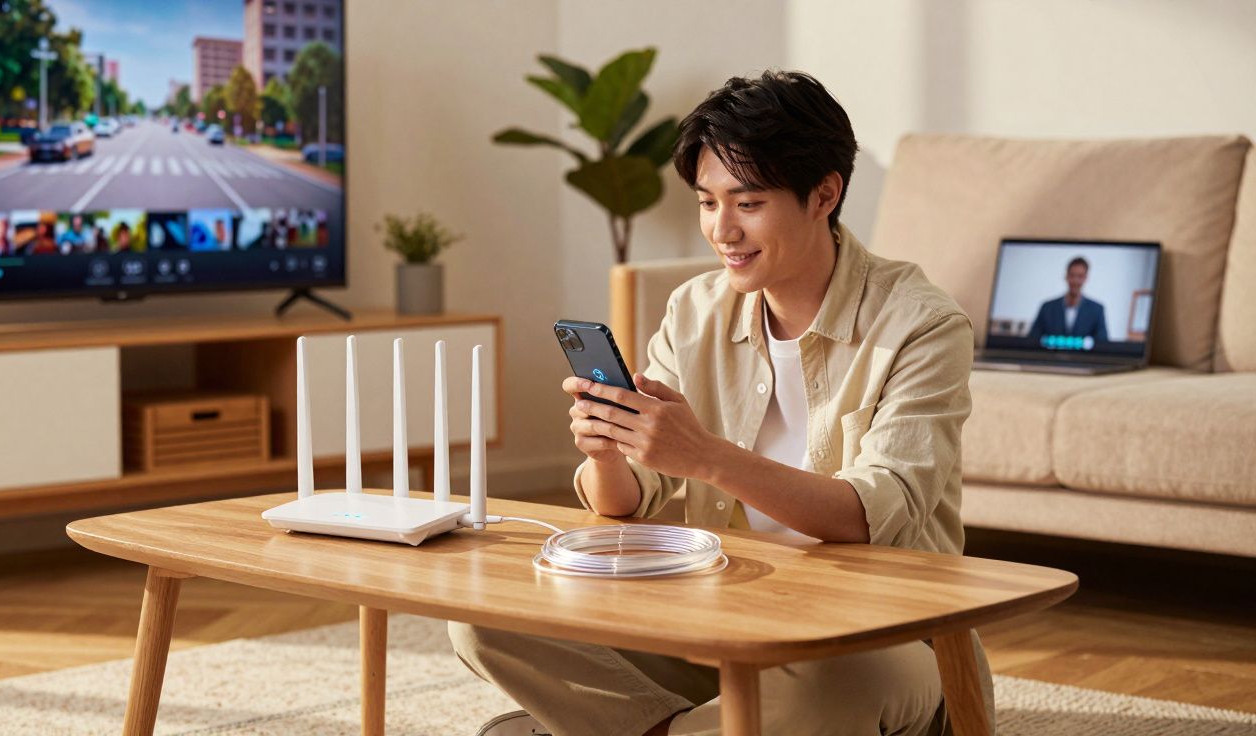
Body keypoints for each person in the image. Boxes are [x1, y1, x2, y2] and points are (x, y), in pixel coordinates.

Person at [448, 70, 994, 736]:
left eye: (748, 202)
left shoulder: (921, 325)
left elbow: (876, 516)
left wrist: (707, 456)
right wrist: (608, 451)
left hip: (880, 639)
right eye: (707, 202)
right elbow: (629, 500)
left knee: (830, 683)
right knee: (485, 616)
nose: (722, 229)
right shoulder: (696, 310)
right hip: (720, 627)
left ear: (825, 194)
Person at [1026, 257, 1109, 342]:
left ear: (1085, 278)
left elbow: (1102, 344)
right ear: (1066, 276)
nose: (1075, 281)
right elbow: (1033, 341)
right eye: (1072, 275)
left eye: (1080, 276)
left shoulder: (1096, 310)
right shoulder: (1047, 308)